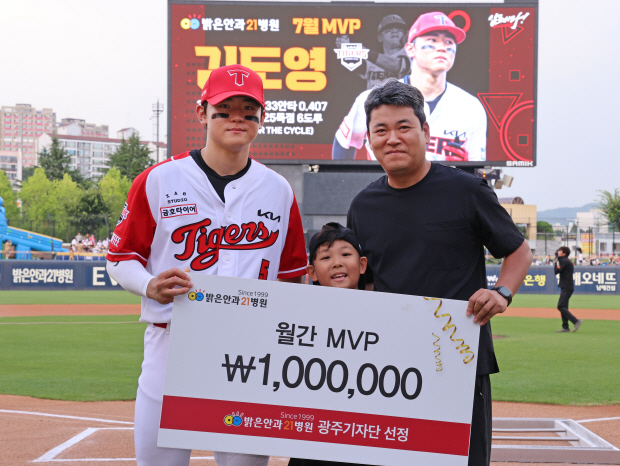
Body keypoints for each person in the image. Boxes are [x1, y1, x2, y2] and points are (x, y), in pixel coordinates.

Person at [106, 64, 308, 466]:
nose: (238, 117)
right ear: (202, 113)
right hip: (172, 343)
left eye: (248, 109)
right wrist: (149, 285)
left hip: (250, 353)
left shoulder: (278, 190)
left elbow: (291, 277)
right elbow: (120, 258)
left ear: (261, 118)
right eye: (225, 108)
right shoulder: (158, 179)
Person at [346, 79, 532, 466]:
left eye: (403, 127)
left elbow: (518, 252)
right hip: (389, 362)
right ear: (369, 138)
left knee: (462, 459)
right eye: (381, 130)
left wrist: (502, 292)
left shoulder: (466, 190)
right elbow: (361, 282)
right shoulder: (364, 205)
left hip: (459, 356)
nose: (392, 138)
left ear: (425, 131)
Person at [333, 11, 487, 162]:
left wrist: (465, 171)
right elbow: (344, 142)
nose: (442, 47)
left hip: (443, 187)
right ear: (410, 49)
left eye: (448, 42)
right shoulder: (371, 99)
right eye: (432, 40)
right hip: (386, 186)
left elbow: (479, 170)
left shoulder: (471, 107)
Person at [288, 223, 369, 466]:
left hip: (366, 437)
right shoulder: (297, 318)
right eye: (326, 257)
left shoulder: (386, 316)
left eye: (346, 254)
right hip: (314, 437)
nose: (337, 263)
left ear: (362, 264)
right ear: (311, 272)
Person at [554, 247, 582, 333]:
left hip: (567, 287)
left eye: (560, 251)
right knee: (564, 307)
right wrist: (557, 260)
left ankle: (576, 321)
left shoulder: (564, 261)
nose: (558, 252)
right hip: (567, 286)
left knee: (560, 306)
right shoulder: (564, 260)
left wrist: (556, 261)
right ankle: (565, 327)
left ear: (564, 253)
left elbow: (557, 270)